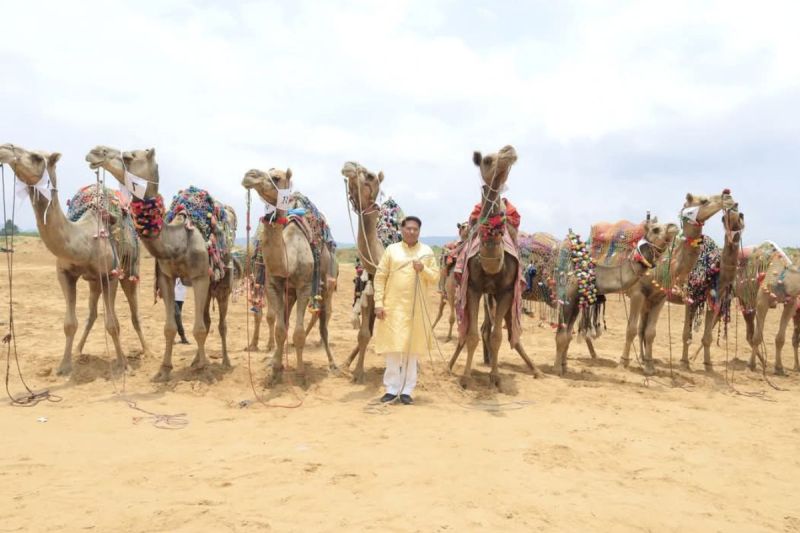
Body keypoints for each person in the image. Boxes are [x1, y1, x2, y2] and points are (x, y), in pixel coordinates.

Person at [373, 216, 439, 405]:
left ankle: (407, 391)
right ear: (402, 230)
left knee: (412, 351)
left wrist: (423, 268)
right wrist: (378, 303)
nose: (411, 232)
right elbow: (380, 277)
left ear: (419, 231)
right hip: (393, 308)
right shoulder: (391, 250)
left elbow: (435, 277)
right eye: (408, 228)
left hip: (417, 309)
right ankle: (391, 389)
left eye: (415, 229)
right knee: (393, 349)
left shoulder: (426, 252)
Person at [174, 278, 190, 344]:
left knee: (175, 318)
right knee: (177, 315)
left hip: (181, 297)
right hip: (171, 295)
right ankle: (183, 336)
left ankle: (173, 337)